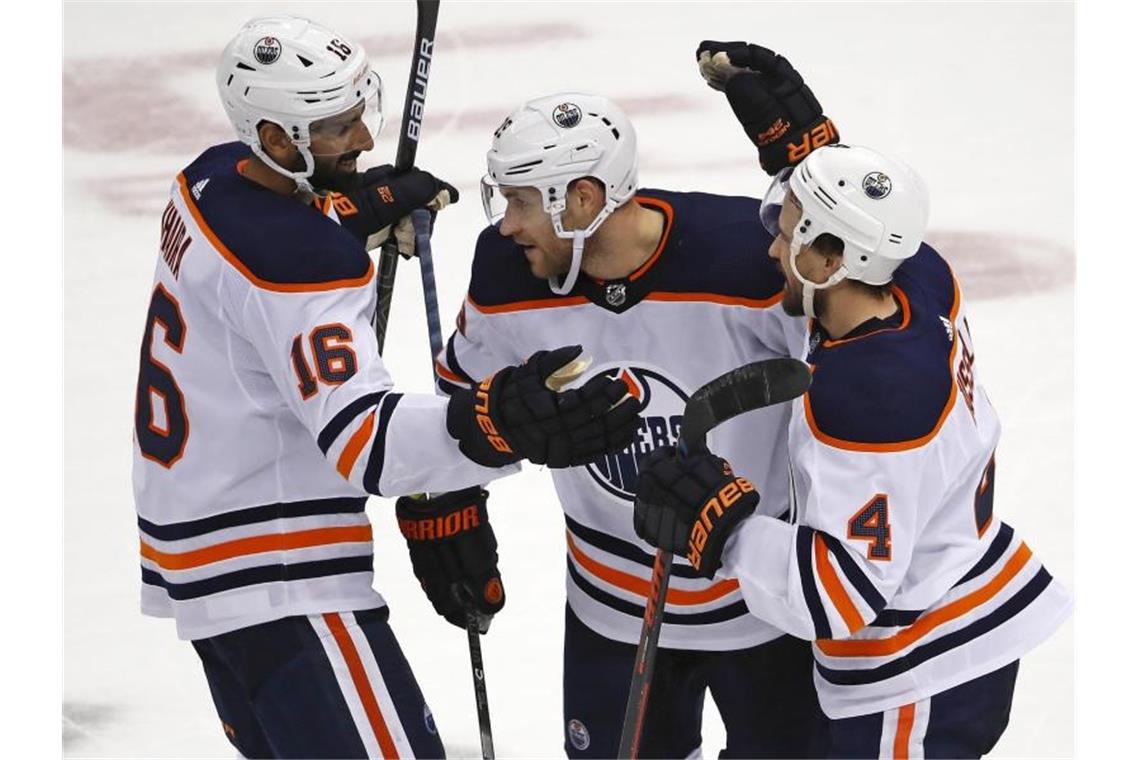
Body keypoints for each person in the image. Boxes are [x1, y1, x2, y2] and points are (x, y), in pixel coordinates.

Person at [132, 16, 638, 759]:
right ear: (277, 140)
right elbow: (365, 443)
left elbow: (263, 234)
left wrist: (350, 208)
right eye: (338, 128)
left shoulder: (204, 182)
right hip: (284, 578)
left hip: (205, 564)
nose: (365, 139)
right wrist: (500, 424)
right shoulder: (302, 264)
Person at [633, 43, 1073, 759]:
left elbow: (839, 599)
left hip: (920, 667)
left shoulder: (870, 397)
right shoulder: (915, 276)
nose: (774, 248)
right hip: (963, 615)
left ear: (832, 258)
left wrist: (726, 524)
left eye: (790, 231)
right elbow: (862, 229)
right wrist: (807, 155)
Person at [418, 43, 841, 758]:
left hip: (761, 606)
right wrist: (446, 504)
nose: (505, 224)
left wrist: (824, 170)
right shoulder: (506, 270)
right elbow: (467, 399)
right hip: (608, 612)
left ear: (582, 200)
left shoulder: (752, 257)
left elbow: (876, 317)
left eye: (522, 201)